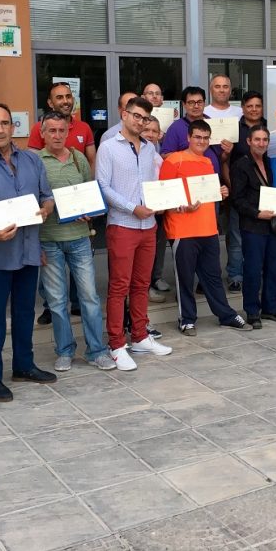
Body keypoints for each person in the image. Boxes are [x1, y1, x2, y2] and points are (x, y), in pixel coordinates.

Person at [0, 102, 57, 402]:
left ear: (13, 127)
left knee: (25, 312)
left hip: (28, 250)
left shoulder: (32, 160)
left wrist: (45, 209)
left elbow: (47, 196)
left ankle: (24, 366)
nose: (0, 129)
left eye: (4, 123)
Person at [97, 96, 173, 370]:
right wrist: (132, 208)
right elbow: (103, 186)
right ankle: (116, 344)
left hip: (148, 226)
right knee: (119, 287)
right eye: (136, 116)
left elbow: (155, 183)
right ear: (125, 114)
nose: (140, 122)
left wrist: (161, 202)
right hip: (123, 225)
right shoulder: (108, 148)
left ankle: (140, 336)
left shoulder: (151, 148)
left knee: (141, 285)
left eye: (145, 118)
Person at [37, 112, 114, 372]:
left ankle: (97, 350)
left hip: (79, 238)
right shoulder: (34, 162)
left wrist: (89, 210)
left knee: (89, 297)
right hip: (49, 240)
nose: (57, 135)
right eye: (52, 131)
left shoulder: (78, 158)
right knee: (57, 301)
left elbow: (89, 192)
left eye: (62, 130)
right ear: (43, 134)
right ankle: (64, 351)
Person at [160, 119, 252, 335]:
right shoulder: (173, 160)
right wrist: (182, 206)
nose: (201, 141)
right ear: (188, 138)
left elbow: (208, 193)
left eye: (205, 138)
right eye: (197, 137)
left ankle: (226, 315)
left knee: (212, 277)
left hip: (208, 228)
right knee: (185, 278)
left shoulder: (208, 162)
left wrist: (221, 192)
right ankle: (187, 319)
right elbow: (163, 196)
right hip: (183, 230)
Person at [230, 124, 276, 329]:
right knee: (252, 269)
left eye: (265, 139)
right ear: (249, 141)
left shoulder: (270, 163)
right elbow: (237, 199)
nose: (261, 143)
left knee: (275, 267)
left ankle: (270, 308)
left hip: (273, 226)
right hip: (253, 226)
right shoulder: (240, 165)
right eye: (257, 139)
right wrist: (258, 213)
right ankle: (252, 311)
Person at [224, 91, 267, 293]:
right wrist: (232, 186)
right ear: (243, 108)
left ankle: (258, 274)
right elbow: (225, 161)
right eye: (249, 106)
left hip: (265, 193)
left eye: (257, 106)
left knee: (262, 237)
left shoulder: (269, 126)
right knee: (236, 236)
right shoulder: (234, 129)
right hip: (240, 193)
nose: (254, 109)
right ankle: (235, 276)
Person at [161, 86, 229, 177]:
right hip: (190, 180)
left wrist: (227, 152)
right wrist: (190, 154)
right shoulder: (175, 128)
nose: (196, 106)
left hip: (214, 179)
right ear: (184, 104)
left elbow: (220, 156)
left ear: (204, 103)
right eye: (191, 102)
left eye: (199, 102)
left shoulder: (214, 124)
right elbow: (164, 156)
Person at [27, 81, 96, 170]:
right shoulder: (39, 128)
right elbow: (32, 163)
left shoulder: (84, 128)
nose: (65, 101)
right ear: (50, 103)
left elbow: (92, 161)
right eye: (59, 98)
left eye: (68, 96)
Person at [141, 115, 171, 303]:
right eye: (146, 130)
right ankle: (145, 288)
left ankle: (154, 279)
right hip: (140, 212)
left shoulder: (158, 157)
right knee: (144, 253)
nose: (150, 134)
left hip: (158, 211)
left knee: (156, 248)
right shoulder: (135, 155)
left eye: (154, 131)